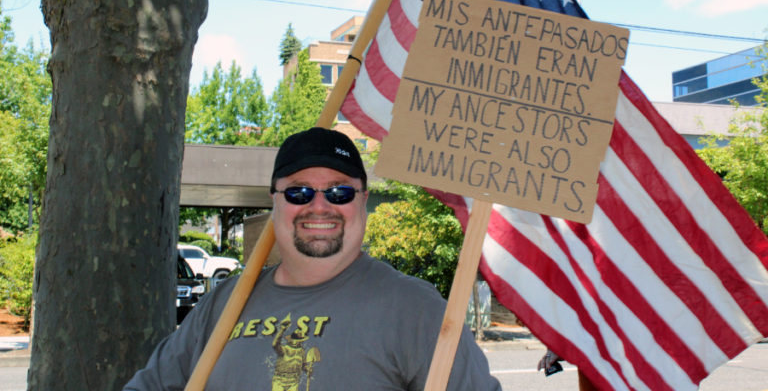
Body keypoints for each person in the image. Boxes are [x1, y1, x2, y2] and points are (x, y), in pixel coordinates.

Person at [125, 127, 501, 390]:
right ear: (274, 201)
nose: (319, 206)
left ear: (362, 201)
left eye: (339, 192)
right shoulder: (222, 304)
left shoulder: (416, 310)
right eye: (298, 192)